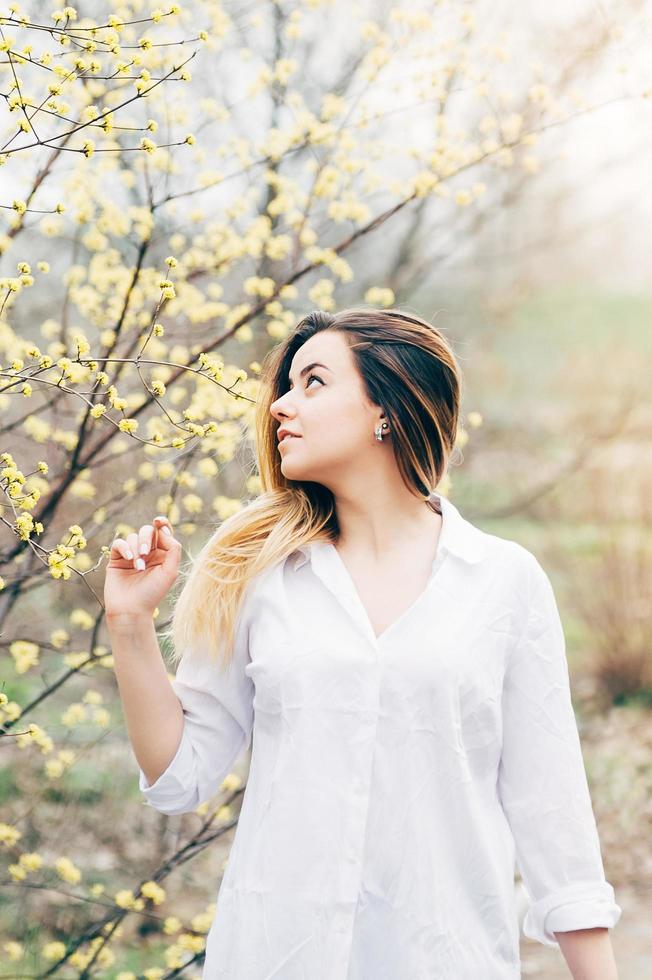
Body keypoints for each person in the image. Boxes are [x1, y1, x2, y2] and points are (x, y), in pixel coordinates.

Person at [105, 308, 621, 979]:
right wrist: (130, 625)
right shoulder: (257, 575)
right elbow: (180, 776)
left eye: (313, 382)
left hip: (444, 958)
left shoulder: (504, 582)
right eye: (286, 386)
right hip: (275, 957)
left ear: (389, 407)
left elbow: (553, 815)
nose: (281, 407)